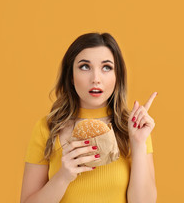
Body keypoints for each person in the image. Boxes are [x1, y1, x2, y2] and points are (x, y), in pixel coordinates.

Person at [20, 32, 157, 203]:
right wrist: (63, 176)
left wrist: (137, 145)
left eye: (106, 67)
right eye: (85, 67)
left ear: (117, 77)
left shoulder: (133, 128)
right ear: (70, 76)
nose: (96, 79)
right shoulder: (47, 128)